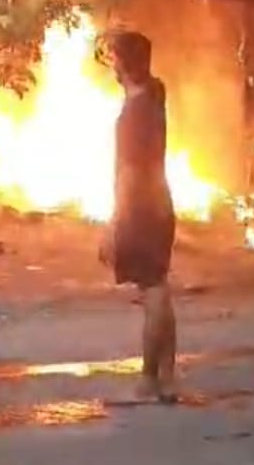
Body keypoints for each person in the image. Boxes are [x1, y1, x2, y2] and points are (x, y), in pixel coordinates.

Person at [99, 30, 178, 403]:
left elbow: (129, 174)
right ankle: (167, 377)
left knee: (154, 292)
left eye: (113, 57)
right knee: (159, 286)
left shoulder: (133, 115)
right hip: (161, 203)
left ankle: (149, 381)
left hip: (141, 208)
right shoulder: (155, 95)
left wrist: (114, 224)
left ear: (125, 64)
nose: (110, 64)